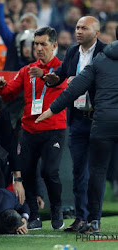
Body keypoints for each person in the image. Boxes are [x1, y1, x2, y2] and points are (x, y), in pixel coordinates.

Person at [35, 25, 118, 235]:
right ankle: (87, 217)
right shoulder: (85, 54)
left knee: (97, 171)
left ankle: (95, 222)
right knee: (88, 170)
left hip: (102, 122)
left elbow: (75, 88)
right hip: (90, 120)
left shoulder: (101, 58)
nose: (78, 31)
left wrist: (51, 110)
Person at [0, 27, 67, 230]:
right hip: (28, 130)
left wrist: (44, 75)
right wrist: (1, 87)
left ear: (54, 45)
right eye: (35, 44)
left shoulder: (62, 68)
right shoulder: (26, 71)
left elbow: (63, 86)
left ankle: (56, 209)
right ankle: (35, 216)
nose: (38, 48)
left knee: (49, 172)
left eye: (43, 44)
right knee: (26, 172)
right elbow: (9, 93)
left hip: (54, 128)